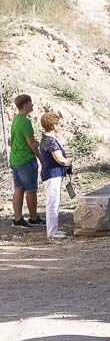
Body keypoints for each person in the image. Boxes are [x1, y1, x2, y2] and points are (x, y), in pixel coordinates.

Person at [9, 94, 42, 228]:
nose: (32, 105)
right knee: (31, 190)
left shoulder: (16, 120)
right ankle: (33, 218)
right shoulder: (25, 122)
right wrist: (41, 157)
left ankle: (17, 218)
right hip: (26, 161)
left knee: (19, 188)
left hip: (16, 160)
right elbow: (31, 143)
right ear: (25, 104)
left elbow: (13, 141)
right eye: (30, 103)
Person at [39, 110, 71, 240]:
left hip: (52, 174)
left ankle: (54, 230)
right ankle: (52, 232)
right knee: (52, 202)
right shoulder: (50, 141)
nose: (59, 127)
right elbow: (60, 159)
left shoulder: (46, 139)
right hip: (53, 174)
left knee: (54, 201)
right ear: (53, 126)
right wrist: (69, 161)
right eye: (58, 124)